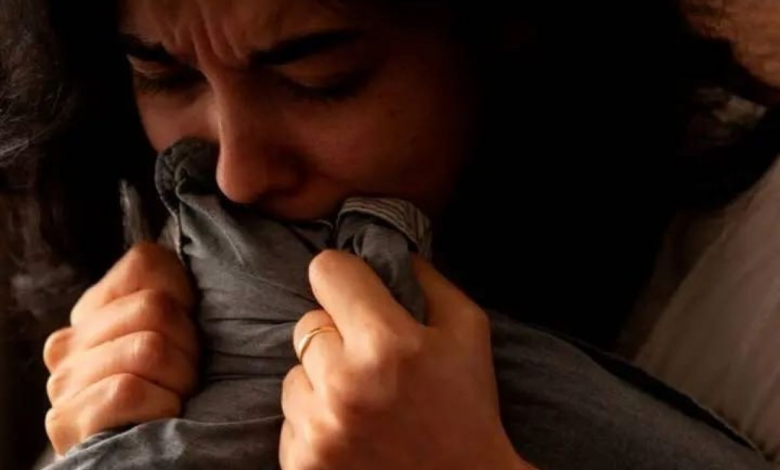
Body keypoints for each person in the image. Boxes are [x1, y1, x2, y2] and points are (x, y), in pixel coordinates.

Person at [1, 0, 772, 468]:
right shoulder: (164, 256)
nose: (236, 175)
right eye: (165, 77)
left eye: (318, 81)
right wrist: (99, 443)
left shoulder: (755, 265)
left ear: (507, 32)